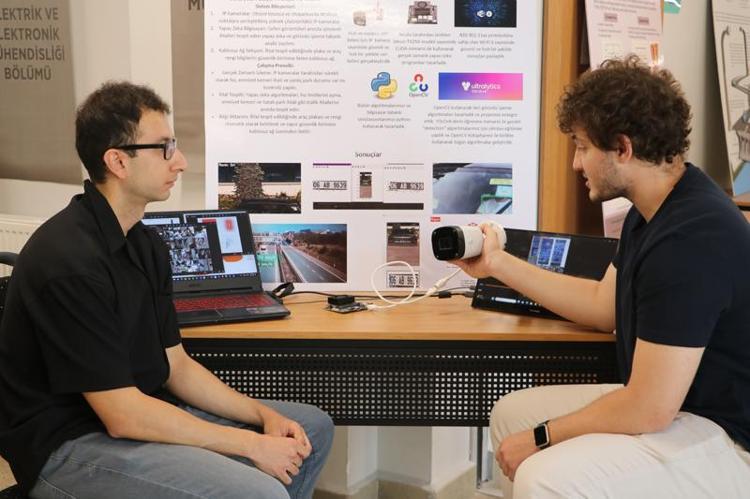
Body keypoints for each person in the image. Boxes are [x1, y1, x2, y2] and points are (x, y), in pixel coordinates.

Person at [0, 81, 333, 499]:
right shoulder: (68, 260)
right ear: (118, 161)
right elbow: (122, 415)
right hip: (70, 444)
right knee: (259, 491)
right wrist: (250, 444)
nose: (181, 162)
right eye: (165, 148)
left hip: (136, 410)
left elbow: (177, 367)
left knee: (311, 429)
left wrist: (262, 416)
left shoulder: (146, 244)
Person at [454, 56, 750, 498]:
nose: (577, 163)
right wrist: (497, 265)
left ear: (623, 148)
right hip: (674, 406)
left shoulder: (691, 238)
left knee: (543, 474)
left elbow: (649, 408)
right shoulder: (650, 212)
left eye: (582, 147)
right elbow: (600, 305)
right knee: (511, 416)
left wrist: (543, 437)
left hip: (728, 438)